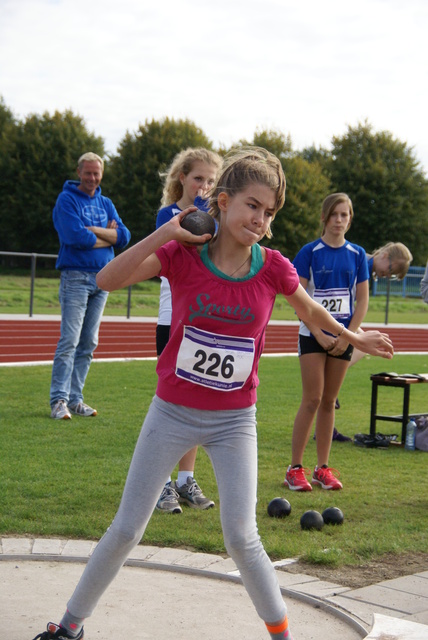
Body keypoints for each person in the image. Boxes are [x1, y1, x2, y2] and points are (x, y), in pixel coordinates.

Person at [33, 148, 393, 640]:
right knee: (125, 529)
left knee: (243, 537)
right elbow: (106, 279)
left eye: (269, 212)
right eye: (251, 205)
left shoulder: (272, 267)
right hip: (171, 414)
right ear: (221, 202)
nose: (260, 219)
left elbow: (310, 311)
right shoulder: (182, 255)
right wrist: (166, 231)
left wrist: (354, 338)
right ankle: (69, 626)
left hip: (234, 422)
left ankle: (282, 636)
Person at [285, 193, 369, 491]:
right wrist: (319, 332)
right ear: (324, 217)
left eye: (344, 215)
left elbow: (361, 300)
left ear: (350, 219)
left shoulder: (358, 255)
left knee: (330, 401)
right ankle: (295, 468)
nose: (339, 220)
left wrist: (351, 335)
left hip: (343, 338)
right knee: (312, 399)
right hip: (312, 336)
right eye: (334, 214)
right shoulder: (309, 252)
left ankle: (322, 467)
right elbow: (299, 299)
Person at [155, 147, 222, 513]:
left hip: (203, 323)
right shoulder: (169, 216)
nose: (204, 186)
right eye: (199, 178)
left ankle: (185, 480)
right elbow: (167, 258)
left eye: (211, 181)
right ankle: (162, 484)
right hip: (172, 321)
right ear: (182, 177)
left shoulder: (215, 218)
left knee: (195, 404)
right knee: (172, 405)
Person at [49, 152, 131, 420]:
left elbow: (124, 237)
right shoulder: (67, 199)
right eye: (88, 173)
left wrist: (94, 230)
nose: (92, 178)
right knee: (70, 340)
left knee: (89, 342)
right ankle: (58, 400)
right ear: (79, 172)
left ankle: (75, 399)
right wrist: (108, 235)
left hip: (104, 277)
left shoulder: (106, 202)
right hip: (75, 277)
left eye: (97, 173)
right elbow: (74, 236)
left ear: (102, 174)